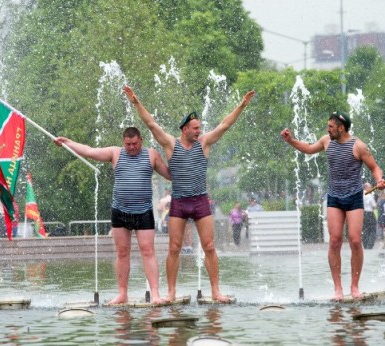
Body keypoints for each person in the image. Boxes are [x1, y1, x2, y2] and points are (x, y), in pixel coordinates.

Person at [124, 85, 255, 303]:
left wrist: (241, 105)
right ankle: (171, 292)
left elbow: (225, 125)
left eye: (199, 128)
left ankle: (215, 291)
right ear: (185, 129)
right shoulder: (170, 144)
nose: (199, 131)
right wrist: (136, 101)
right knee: (174, 248)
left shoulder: (204, 143)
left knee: (210, 247)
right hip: (179, 203)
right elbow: (151, 124)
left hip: (201, 201)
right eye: (195, 128)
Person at [54, 127, 170, 305]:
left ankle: (155, 294)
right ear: (124, 142)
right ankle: (122, 294)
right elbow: (89, 151)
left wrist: (183, 163)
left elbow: (168, 174)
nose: (131, 147)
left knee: (148, 252)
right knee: (122, 253)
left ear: (141, 140)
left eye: (135, 144)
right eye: (128, 144)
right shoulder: (115, 153)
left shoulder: (151, 155)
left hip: (143, 211)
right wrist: (67, 142)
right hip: (120, 211)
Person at [280, 111, 385, 300]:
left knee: (355, 240)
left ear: (341, 128)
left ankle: (354, 286)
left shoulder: (358, 146)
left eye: (330, 126)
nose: (327, 129)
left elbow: (375, 168)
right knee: (335, 240)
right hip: (334, 198)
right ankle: (338, 288)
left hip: (354, 197)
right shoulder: (326, 141)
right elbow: (308, 149)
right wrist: (291, 140)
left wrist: (379, 180)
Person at [362, 183, 378, 249]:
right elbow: (374, 205)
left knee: (365, 229)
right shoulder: (369, 195)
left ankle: (365, 244)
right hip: (370, 213)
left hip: (363, 213)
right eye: (370, 187)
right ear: (366, 187)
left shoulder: (361, 195)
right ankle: (370, 245)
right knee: (372, 229)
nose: (371, 188)